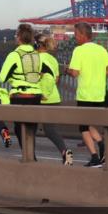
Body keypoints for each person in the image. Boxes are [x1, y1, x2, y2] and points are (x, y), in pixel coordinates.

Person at [67, 22, 108, 168]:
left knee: (83, 127)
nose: (75, 38)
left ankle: (95, 157)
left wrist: (67, 70)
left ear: (82, 35)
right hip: (100, 94)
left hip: (85, 95)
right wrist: (99, 76)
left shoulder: (79, 50)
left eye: (76, 34)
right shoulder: (101, 49)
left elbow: (75, 73)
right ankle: (102, 145)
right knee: (89, 124)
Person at [0, 24, 52, 156]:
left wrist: (14, 79)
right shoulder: (38, 55)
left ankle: (28, 156)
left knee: (19, 128)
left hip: (20, 95)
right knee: (31, 128)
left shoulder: (14, 55)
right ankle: (31, 154)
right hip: (36, 96)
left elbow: (2, 77)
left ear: (19, 38)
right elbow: (49, 74)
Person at [35, 34, 73, 165]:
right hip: (55, 97)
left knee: (29, 126)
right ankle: (64, 151)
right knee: (50, 129)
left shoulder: (35, 59)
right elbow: (56, 79)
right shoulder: (52, 59)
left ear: (37, 45)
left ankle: (30, 155)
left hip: (41, 97)